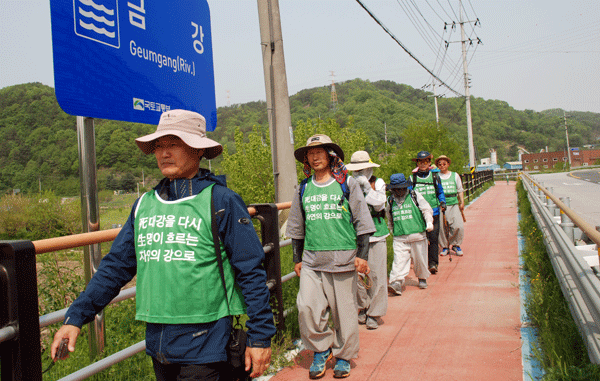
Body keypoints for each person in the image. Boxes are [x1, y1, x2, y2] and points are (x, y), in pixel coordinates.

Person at [50, 109, 275, 381]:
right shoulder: (144, 205)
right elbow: (116, 267)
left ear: (198, 150)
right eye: (159, 145)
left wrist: (260, 336)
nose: (164, 153)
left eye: (174, 144)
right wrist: (76, 317)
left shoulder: (221, 201)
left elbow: (250, 270)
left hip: (207, 343)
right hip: (158, 344)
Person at [286, 134, 375, 379]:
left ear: (330, 155)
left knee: (344, 312)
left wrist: (362, 256)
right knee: (306, 307)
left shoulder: (347, 184)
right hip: (312, 260)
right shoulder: (303, 188)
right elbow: (296, 227)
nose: (315, 157)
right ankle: (321, 350)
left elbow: (362, 222)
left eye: (319, 152)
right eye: (310, 154)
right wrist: (297, 259)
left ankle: (344, 355)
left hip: (343, 259)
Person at [345, 150, 389, 330]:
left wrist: (366, 188)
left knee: (377, 275)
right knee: (357, 276)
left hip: (377, 234)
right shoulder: (347, 184)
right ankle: (363, 305)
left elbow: (380, 203)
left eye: (363, 169)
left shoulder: (377, 183)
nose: (360, 173)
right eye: (357, 170)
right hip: (355, 235)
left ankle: (374, 313)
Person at [386, 174, 434, 295]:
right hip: (400, 237)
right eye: (396, 189)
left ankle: (422, 277)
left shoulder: (415, 196)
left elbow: (426, 209)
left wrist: (429, 222)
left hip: (417, 234)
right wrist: (391, 230)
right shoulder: (390, 200)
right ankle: (396, 282)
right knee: (398, 261)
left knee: (420, 259)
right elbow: (389, 217)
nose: (399, 191)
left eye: (401, 188)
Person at [410, 151, 446, 274]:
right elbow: (409, 195)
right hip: (419, 215)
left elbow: (440, 192)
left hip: (434, 213)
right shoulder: (412, 178)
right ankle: (422, 263)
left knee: (434, 238)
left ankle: (433, 263)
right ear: (417, 163)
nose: (423, 164)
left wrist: (442, 202)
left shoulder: (435, 177)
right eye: (421, 161)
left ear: (429, 163)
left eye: (426, 161)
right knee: (420, 239)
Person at [436, 155, 465, 256]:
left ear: (448, 164)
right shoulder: (436, 176)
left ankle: (456, 244)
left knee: (458, 226)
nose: (442, 166)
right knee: (442, 227)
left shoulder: (455, 175)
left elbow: (460, 189)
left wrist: (462, 202)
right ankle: (445, 246)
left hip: (453, 203)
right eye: (439, 164)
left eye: (444, 164)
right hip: (441, 204)